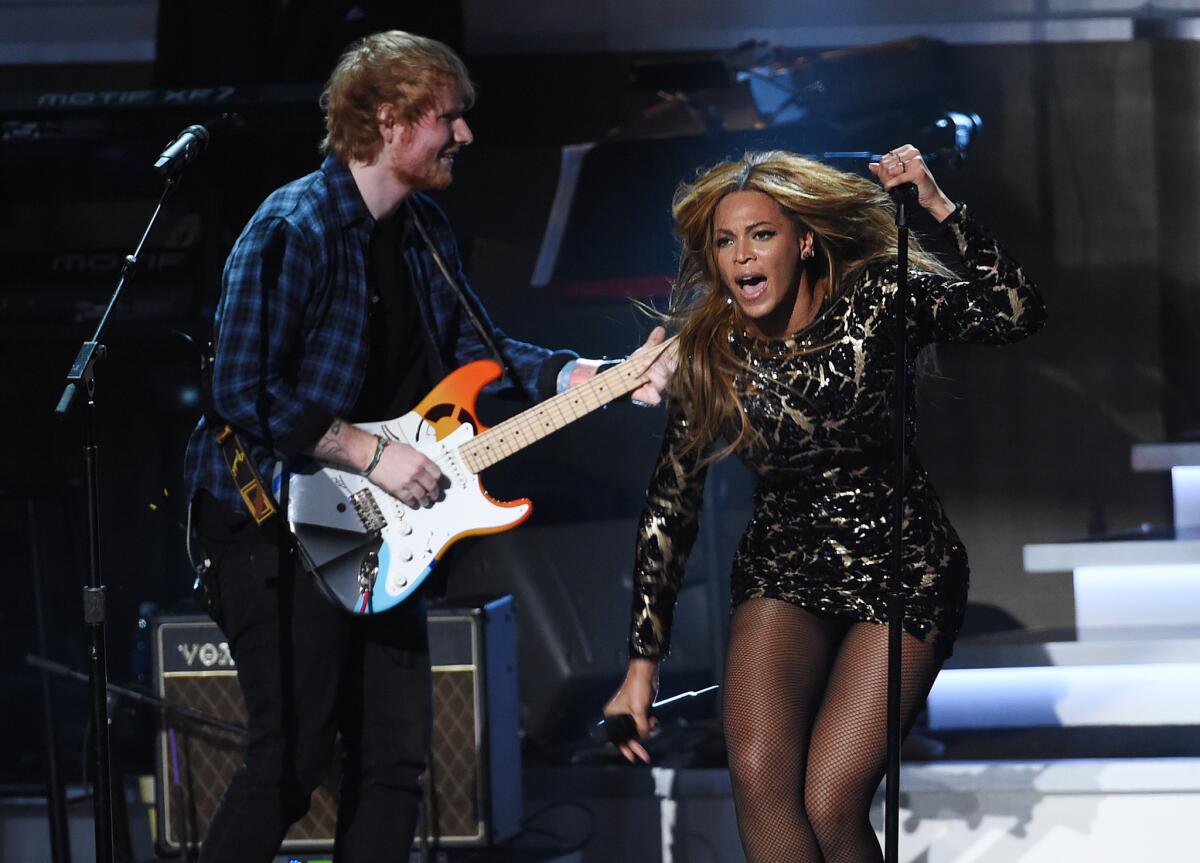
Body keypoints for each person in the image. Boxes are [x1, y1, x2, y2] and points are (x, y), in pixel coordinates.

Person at [182, 31, 671, 862]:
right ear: (390, 119)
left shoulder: (424, 231)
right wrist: (369, 455)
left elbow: (484, 353)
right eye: (449, 118)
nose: (465, 136)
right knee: (290, 761)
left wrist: (597, 374)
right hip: (268, 523)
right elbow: (241, 389)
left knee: (394, 764)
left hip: (381, 529)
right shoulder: (292, 227)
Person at [603, 147, 1046, 862]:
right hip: (786, 565)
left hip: (901, 565)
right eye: (724, 241)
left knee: (830, 797)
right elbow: (671, 503)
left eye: (761, 234)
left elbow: (1016, 311)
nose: (741, 255)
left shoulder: (879, 300)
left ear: (804, 241)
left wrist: (936, 204)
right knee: (756, 774)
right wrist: (640, 670)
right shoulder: (712, 349)